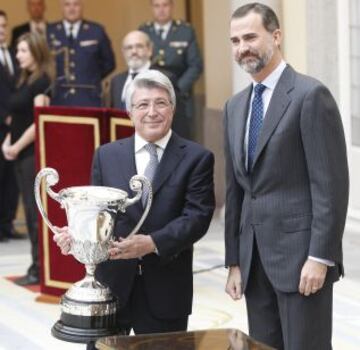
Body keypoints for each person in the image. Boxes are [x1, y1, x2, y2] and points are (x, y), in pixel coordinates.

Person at [224, 3, 349, 350]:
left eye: (250, 36)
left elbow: (330, 187)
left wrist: (320, 258)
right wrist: (234, 261)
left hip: (301, 263)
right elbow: (235, 191)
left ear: (276, 36)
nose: (242, 47)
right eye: (235, 40)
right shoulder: (234, 107)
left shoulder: (310, 96)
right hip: (255, 263)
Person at [54, 70, 215, 336]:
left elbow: (197, 218)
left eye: (160, 103)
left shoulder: (197, 158)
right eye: (142, 104)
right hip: (111, 286)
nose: (152, 112)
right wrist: (75, 234)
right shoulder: (106, 155)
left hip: (166, 290)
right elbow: (96, 213)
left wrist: (152, 243)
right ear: (129, 112)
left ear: (173, 109)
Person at [2, 31, 55, 285]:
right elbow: (16, 118)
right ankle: (35, 265)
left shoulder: (41, 81)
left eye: (23, 50)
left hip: (31, 154)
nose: (18, 55)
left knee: (35, 215)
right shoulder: (24, 80)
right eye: (18, 51)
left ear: (35, 52)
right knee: (31, 212)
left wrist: (16, 145)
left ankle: (40, 268)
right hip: (19, 152)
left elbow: (38, 121)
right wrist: (8, 142)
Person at [110, 30, 189, 138]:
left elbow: (179, 120)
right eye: (129, 48)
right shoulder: (117, 81)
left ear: (149, 50)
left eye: (139, 46)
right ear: (123, 52)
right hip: (124, 146)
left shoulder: (165, 78)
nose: (134, 51)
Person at [139, 0, 203, 124]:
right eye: (157, 6)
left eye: (165, 5)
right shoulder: (143, 31)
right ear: (151, 7)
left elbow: (196, 65)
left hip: (181, 98)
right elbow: (140, 64)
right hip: (150, 96)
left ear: (172, 6)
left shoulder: (185, 31)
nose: (161, 9)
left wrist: (176, 90)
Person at [47, 0, 115, 107]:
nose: (71, 8)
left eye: (76, 4)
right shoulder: (50, 32)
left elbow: (109, 62)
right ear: (61, 7)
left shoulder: (96, 31)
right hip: (58, 98)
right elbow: (43, 64)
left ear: (82, 6)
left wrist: (92, 77)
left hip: (89, 98)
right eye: (67, 4)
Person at [0, 10, 21, 242]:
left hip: (15, 127)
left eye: (4, 26)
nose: (2, 30)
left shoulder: (15, 55)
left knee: (11, 182)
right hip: (0, 124)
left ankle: (7, 225)